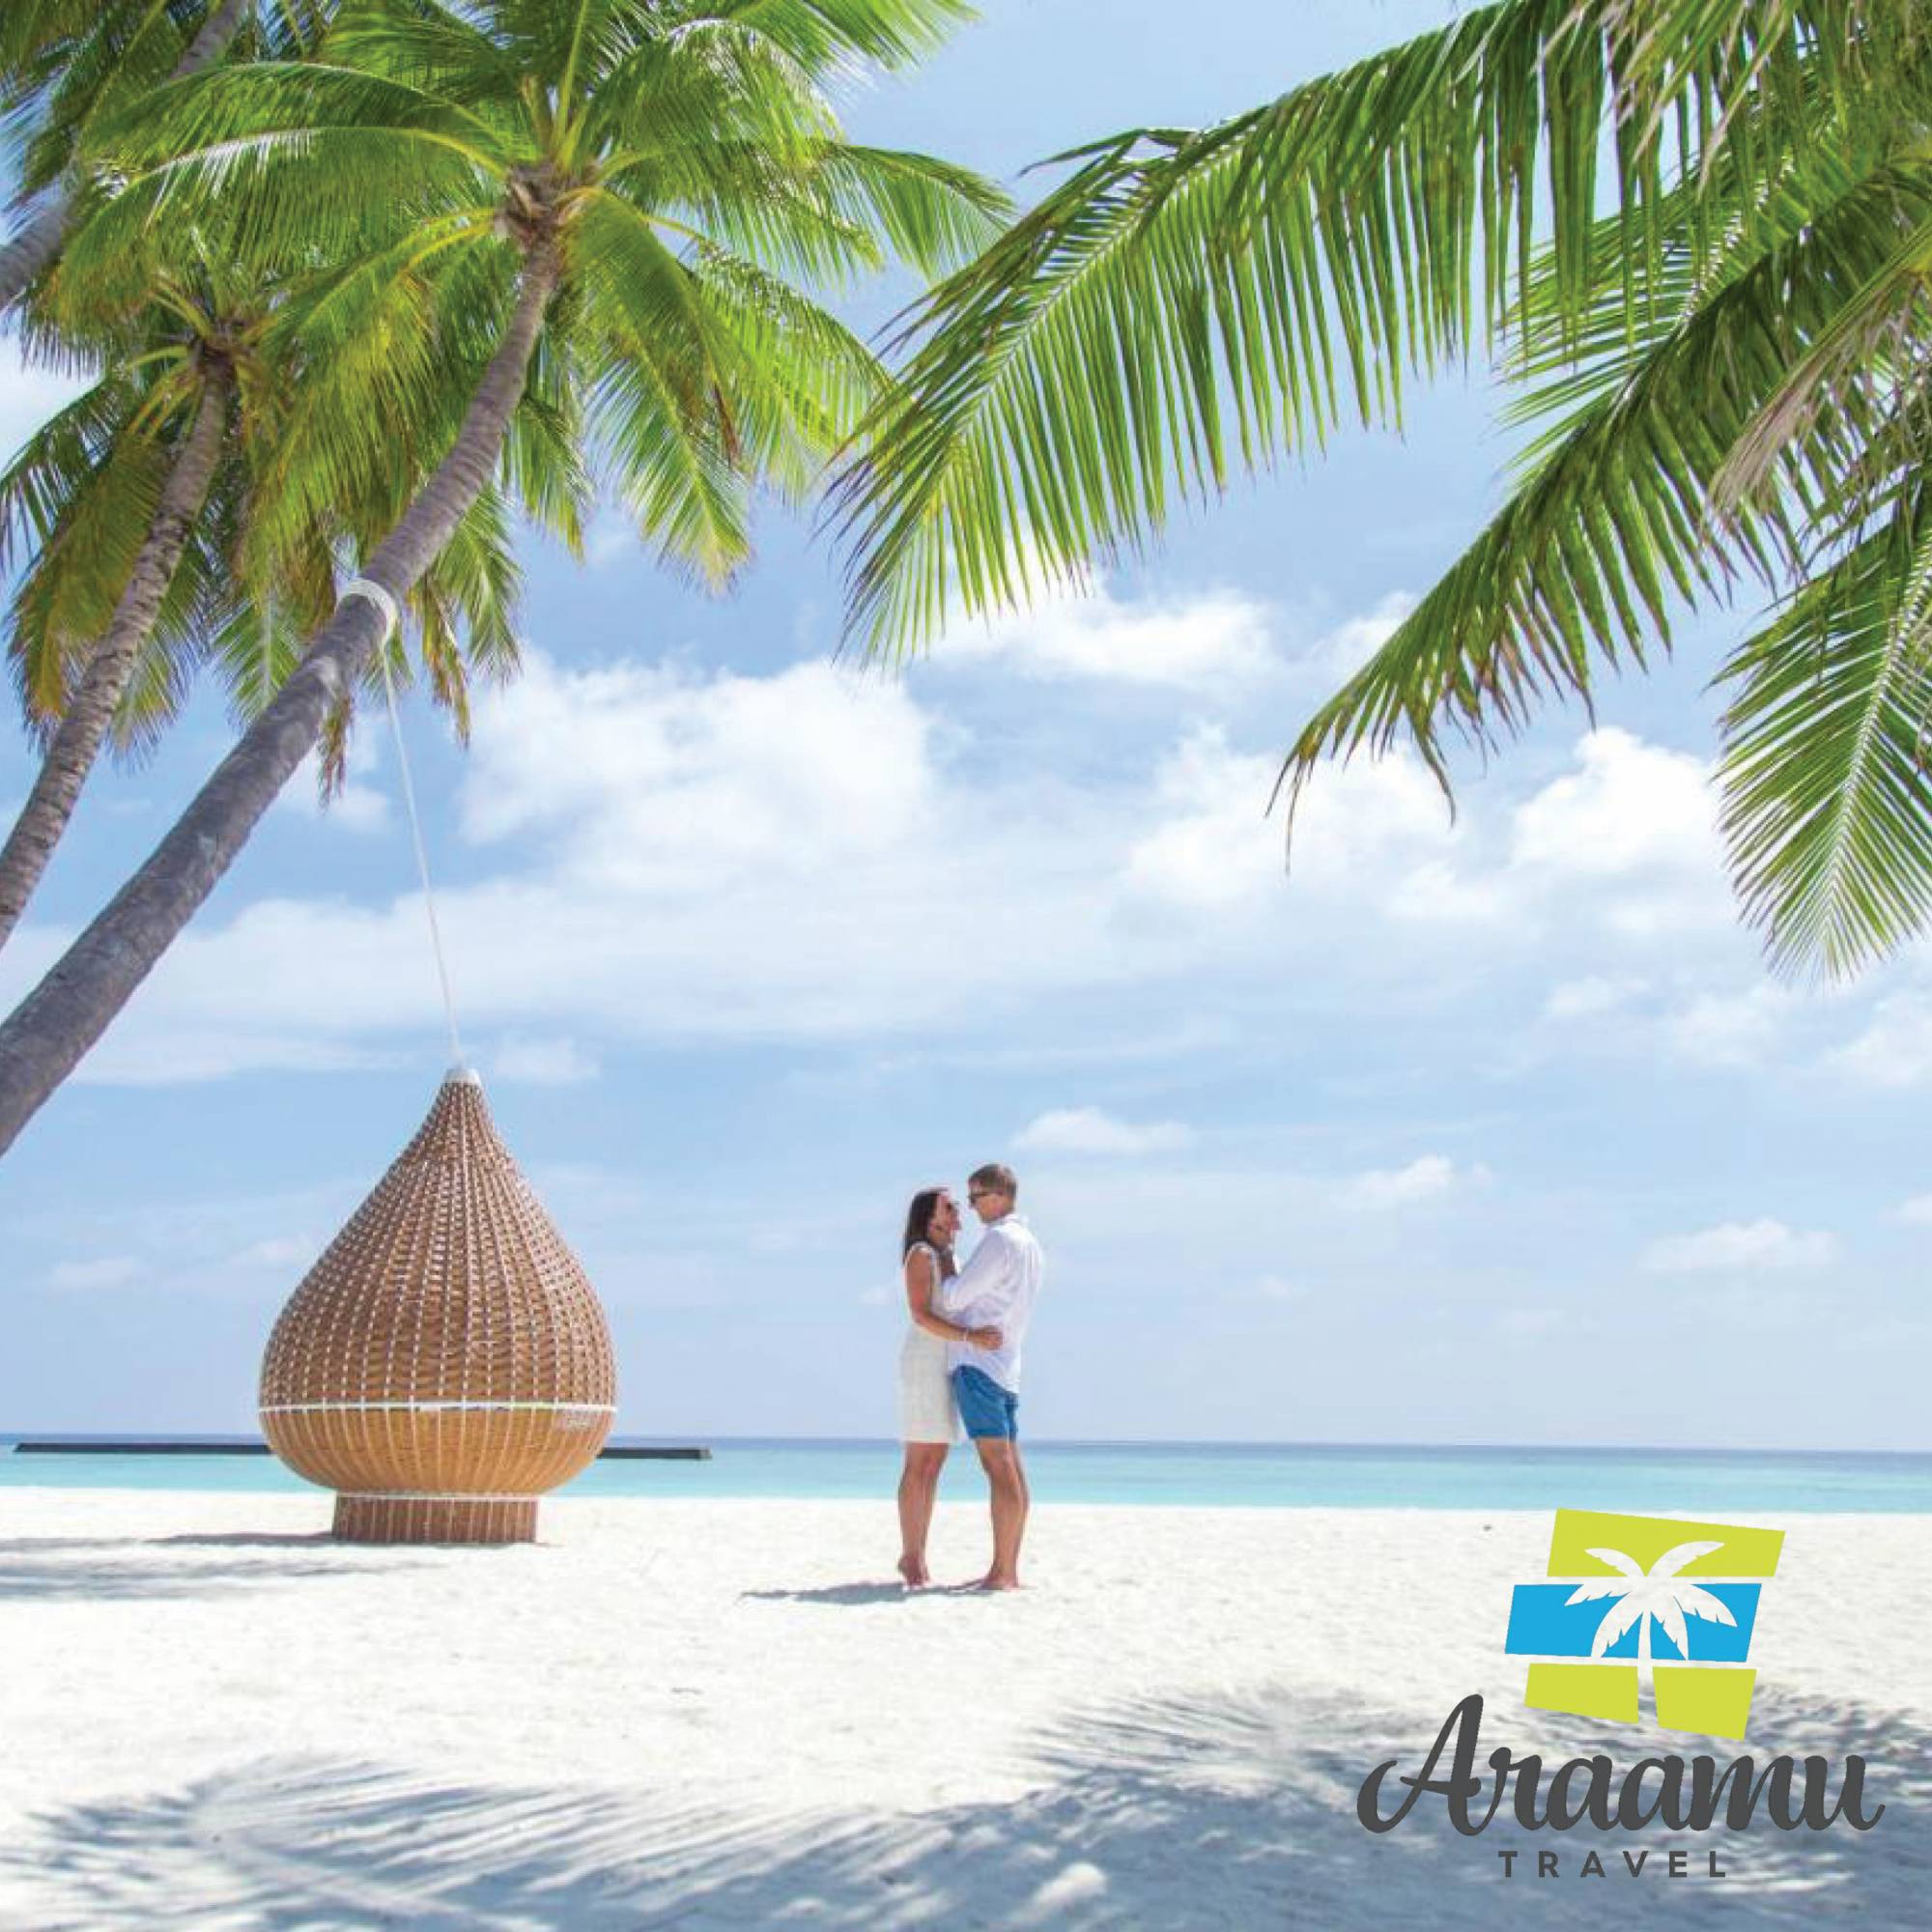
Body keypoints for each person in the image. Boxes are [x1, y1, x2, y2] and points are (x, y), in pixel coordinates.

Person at [935, 1163, 1043, 1590]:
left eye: (975, 1197)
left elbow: (953, 1297)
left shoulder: (1000, 1239)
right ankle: (1007, 1569)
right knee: (1010, 1466)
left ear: (998, 1196)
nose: (971, 1206)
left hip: (980, 1364)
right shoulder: (1030, 1243)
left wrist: (946, 1257)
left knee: (998, 1467)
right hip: (1007, 1363)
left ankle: (1002, 1571)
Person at [895, 1185, 1003, 1588]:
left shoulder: (948, 1256)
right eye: (949, 1206)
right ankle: (911, 1556)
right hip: (925, 1362)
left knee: (934, 1462)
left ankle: (917, 1553)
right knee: (919, 1461)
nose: (958, 1209)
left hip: (949, 1362)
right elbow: (921, 1315)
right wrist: (972, 1338)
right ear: (930, 1217)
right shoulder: (921, 1254)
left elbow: (959, 1303)